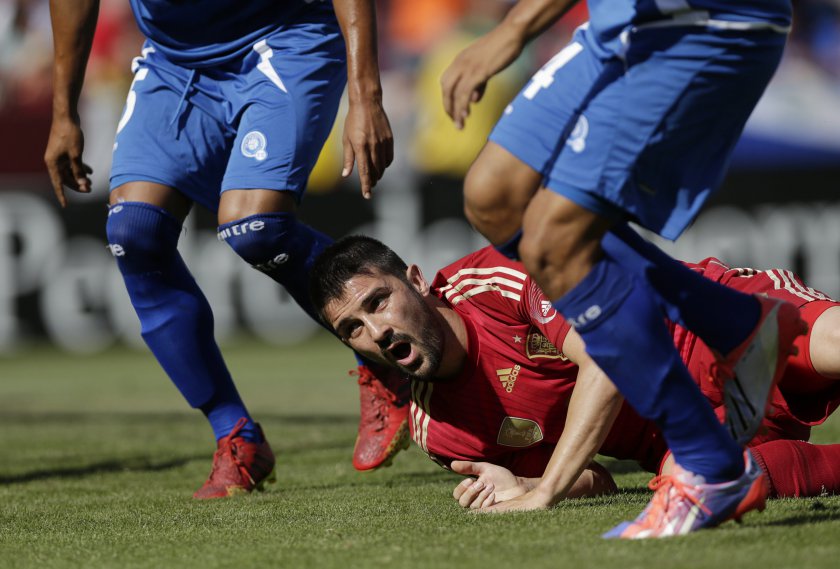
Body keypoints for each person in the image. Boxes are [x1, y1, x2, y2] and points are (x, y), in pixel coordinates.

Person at [438, 0, 805, 537]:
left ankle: (711, 463)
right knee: (493, 197)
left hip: (700, 22)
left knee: (554, 245)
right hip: (617, 26)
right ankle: (735, 322)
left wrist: (516, 27)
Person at [43, 0, 407, 499]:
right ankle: (236, 436)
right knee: (134, 234)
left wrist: (366, 95)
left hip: (283, 33)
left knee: (255, 227)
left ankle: (389, 357)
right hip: (174, 60)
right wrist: (63, 110)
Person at [309, 236, 840, 533]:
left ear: (419, 282)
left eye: (379, 302)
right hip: (688, 437)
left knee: (830, 344)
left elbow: (609, 360)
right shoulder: (441, 433)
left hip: (711, 329)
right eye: (353, 329)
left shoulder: (497, 276)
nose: (377, 331)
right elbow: (599, 482)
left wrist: (546, 492)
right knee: (726, 485)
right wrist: (525, 486)